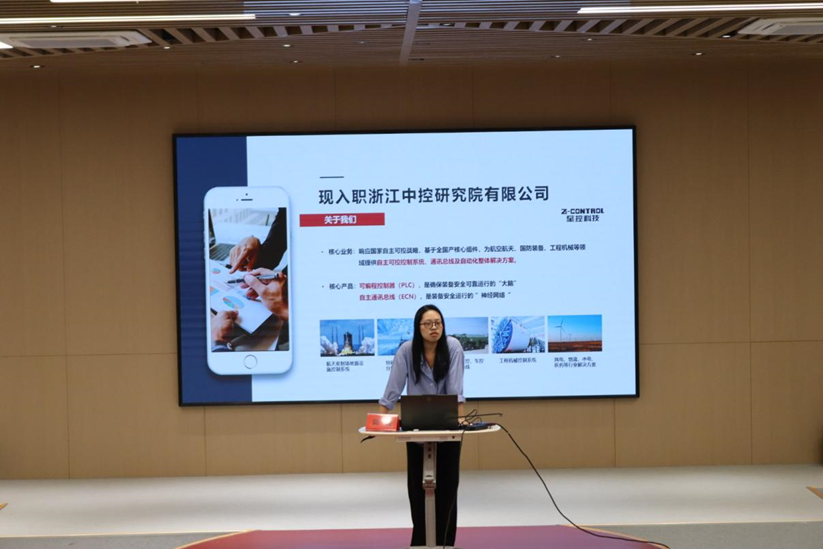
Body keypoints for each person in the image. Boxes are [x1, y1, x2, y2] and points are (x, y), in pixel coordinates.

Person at [379, 304, 465, 547]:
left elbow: (456, 389)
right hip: (416, 432)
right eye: (428, 323)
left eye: (438, 323)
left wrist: (459, 423)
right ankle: (420, 543)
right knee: (417, 491)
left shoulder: (453, 347)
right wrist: (380, 419)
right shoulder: (406, 350)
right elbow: (393, 388)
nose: (434, 327)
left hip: (448, 431)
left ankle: (445, 543)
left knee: (448, 490)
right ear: (418, 327)